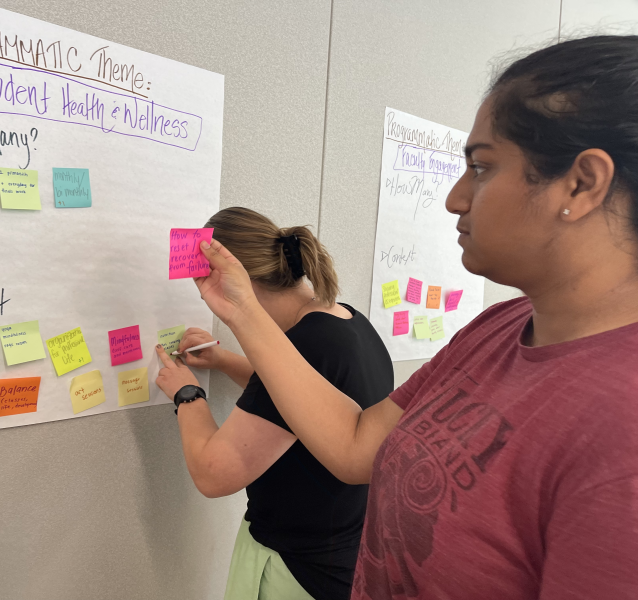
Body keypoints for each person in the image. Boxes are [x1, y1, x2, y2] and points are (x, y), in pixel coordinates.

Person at [184, 36, 638, 600]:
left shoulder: (623, 426)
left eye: (481, 167)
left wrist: (188, 390)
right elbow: (354, 444)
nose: (455, 198)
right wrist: (241, 311)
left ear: (582, 183)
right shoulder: (496, 331)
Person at [154, 207, 394, 600]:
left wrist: (188, 394)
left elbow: (214, 473)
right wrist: (223, 360)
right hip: (340, 562)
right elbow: (303, 403)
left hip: (295, 570)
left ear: (236, 281)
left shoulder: (306, 345)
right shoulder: (347, 322)